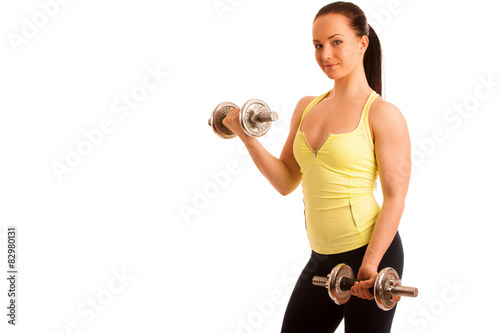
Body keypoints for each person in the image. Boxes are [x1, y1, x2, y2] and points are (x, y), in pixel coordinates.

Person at [222, 1, 411, 332]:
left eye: (336, 42)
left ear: (361, 43)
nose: (326, 54)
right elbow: (285, 181)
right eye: (318, 45)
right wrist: (246, 137)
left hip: (372, 252)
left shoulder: (382, 114)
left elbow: (395, 197)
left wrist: (370, 265)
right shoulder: (307, 107)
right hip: (322, 258)